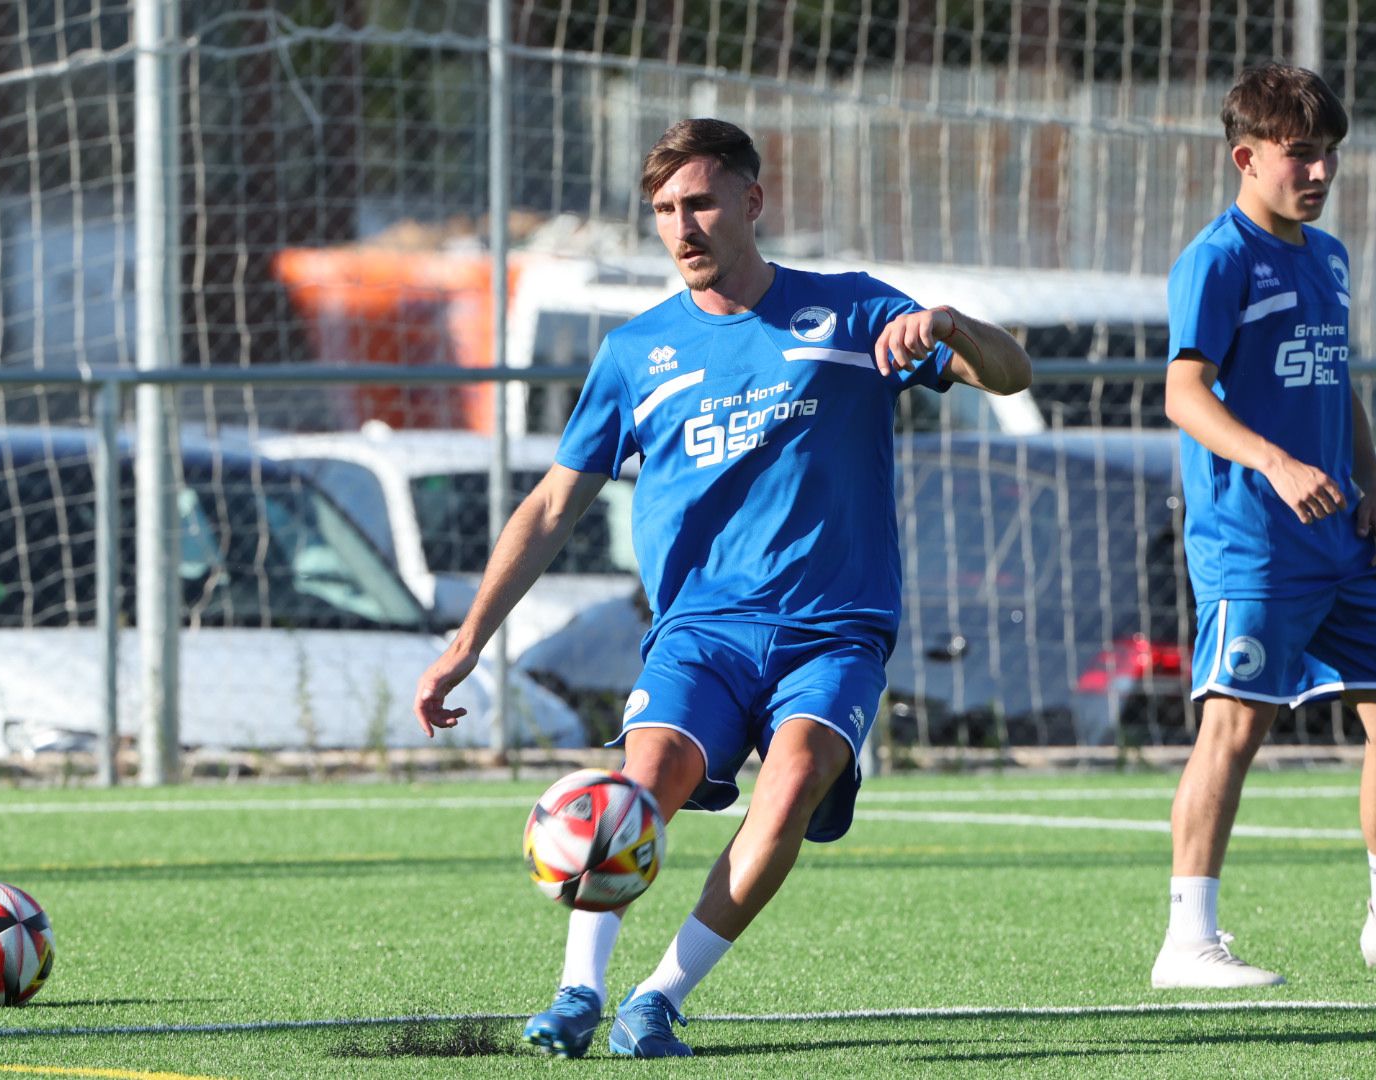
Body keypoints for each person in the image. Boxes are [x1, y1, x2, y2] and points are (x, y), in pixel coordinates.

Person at [413, 117, 1031, 1057]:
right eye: (664, 210)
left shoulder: (856, 312)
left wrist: (949, 325)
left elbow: (1012, 375)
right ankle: (579, 991)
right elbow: (550, 507)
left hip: (835, 631)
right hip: (700, 632)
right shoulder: (636, 353)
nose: (682, 226)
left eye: (699, 202)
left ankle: (657, 999)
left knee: (787, 791)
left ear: (751, 200)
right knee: (639, 787)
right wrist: (464, 646)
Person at [1151, 62, 1376, 989]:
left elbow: (1331, 380)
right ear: (1247, 156)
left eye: (1329, 155)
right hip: (1254, 542)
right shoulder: (1215, 259)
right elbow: (1185, 393)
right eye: (1300, 154)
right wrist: (1273, 459)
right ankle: (1187, 941)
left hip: (1341, 538)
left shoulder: (1329, 257)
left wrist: (1373, 482)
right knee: (1235, 728)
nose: (1319, 172)